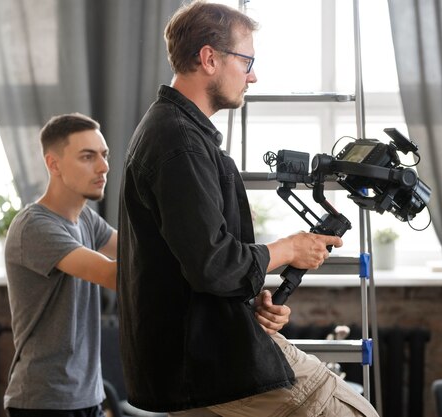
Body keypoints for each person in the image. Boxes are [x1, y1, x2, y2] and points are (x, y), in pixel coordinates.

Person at [117, 2, 379, 416]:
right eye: (247, 61)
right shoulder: (178, 143)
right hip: (208, 363)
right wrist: (290, 250)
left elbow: (192, 265)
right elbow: (213, 263)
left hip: (189, 361)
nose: (253, 75)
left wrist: (250, 299)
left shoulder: (174, 132)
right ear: (209, 58)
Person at [3, 113, 117, 417]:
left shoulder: (87, 219)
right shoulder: (33, 226)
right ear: (53, 164)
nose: (103, 167)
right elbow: (113, 274)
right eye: (87, 157)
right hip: (44, 402)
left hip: (87, 396)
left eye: (104, 155)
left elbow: (139, 249)